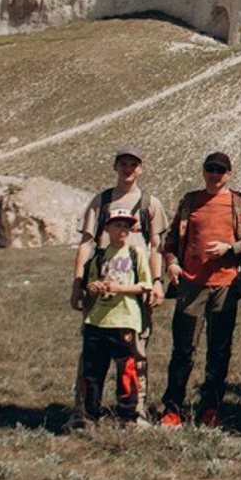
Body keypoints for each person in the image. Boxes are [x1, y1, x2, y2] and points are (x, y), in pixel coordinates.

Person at [159, 152, 241, 428]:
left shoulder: (239, 202)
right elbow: (169, 240)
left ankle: (210, 406)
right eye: (210, 169)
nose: (215, 174)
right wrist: (171, 263)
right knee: (183, 349)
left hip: (226, 286)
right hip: (191, 285)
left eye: (220, 170)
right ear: (203, 171)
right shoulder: (189, 201)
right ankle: (172, 408)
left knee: (219, 349)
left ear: (229, 174)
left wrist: (230, 249)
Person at [69, 148, 167, 424]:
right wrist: (78, 284)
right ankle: (83, 411)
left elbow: (156, 247)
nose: (128, 169)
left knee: (137, 352)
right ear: (115, 166)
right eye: (123, 164)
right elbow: (86, 243)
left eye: (133, 165)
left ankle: (135, 411)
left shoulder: (150, 204)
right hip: (99, 284)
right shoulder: (101, 201)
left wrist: (157, 283)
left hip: (135, 288)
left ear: (141, 169)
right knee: (91, 355)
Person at [76, 206, 153, 426]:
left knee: (126, 369)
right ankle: (89, 415)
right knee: (92, 371)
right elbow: (90, 285)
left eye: (127, 226)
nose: (122, 230)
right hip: (98, 320)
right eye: (118, 225)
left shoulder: (135, 253)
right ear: (107, 227)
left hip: (125, 319)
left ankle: (127, 416)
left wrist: (119, 288)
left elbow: (144, 285)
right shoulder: (100, 256)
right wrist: (93, 288)